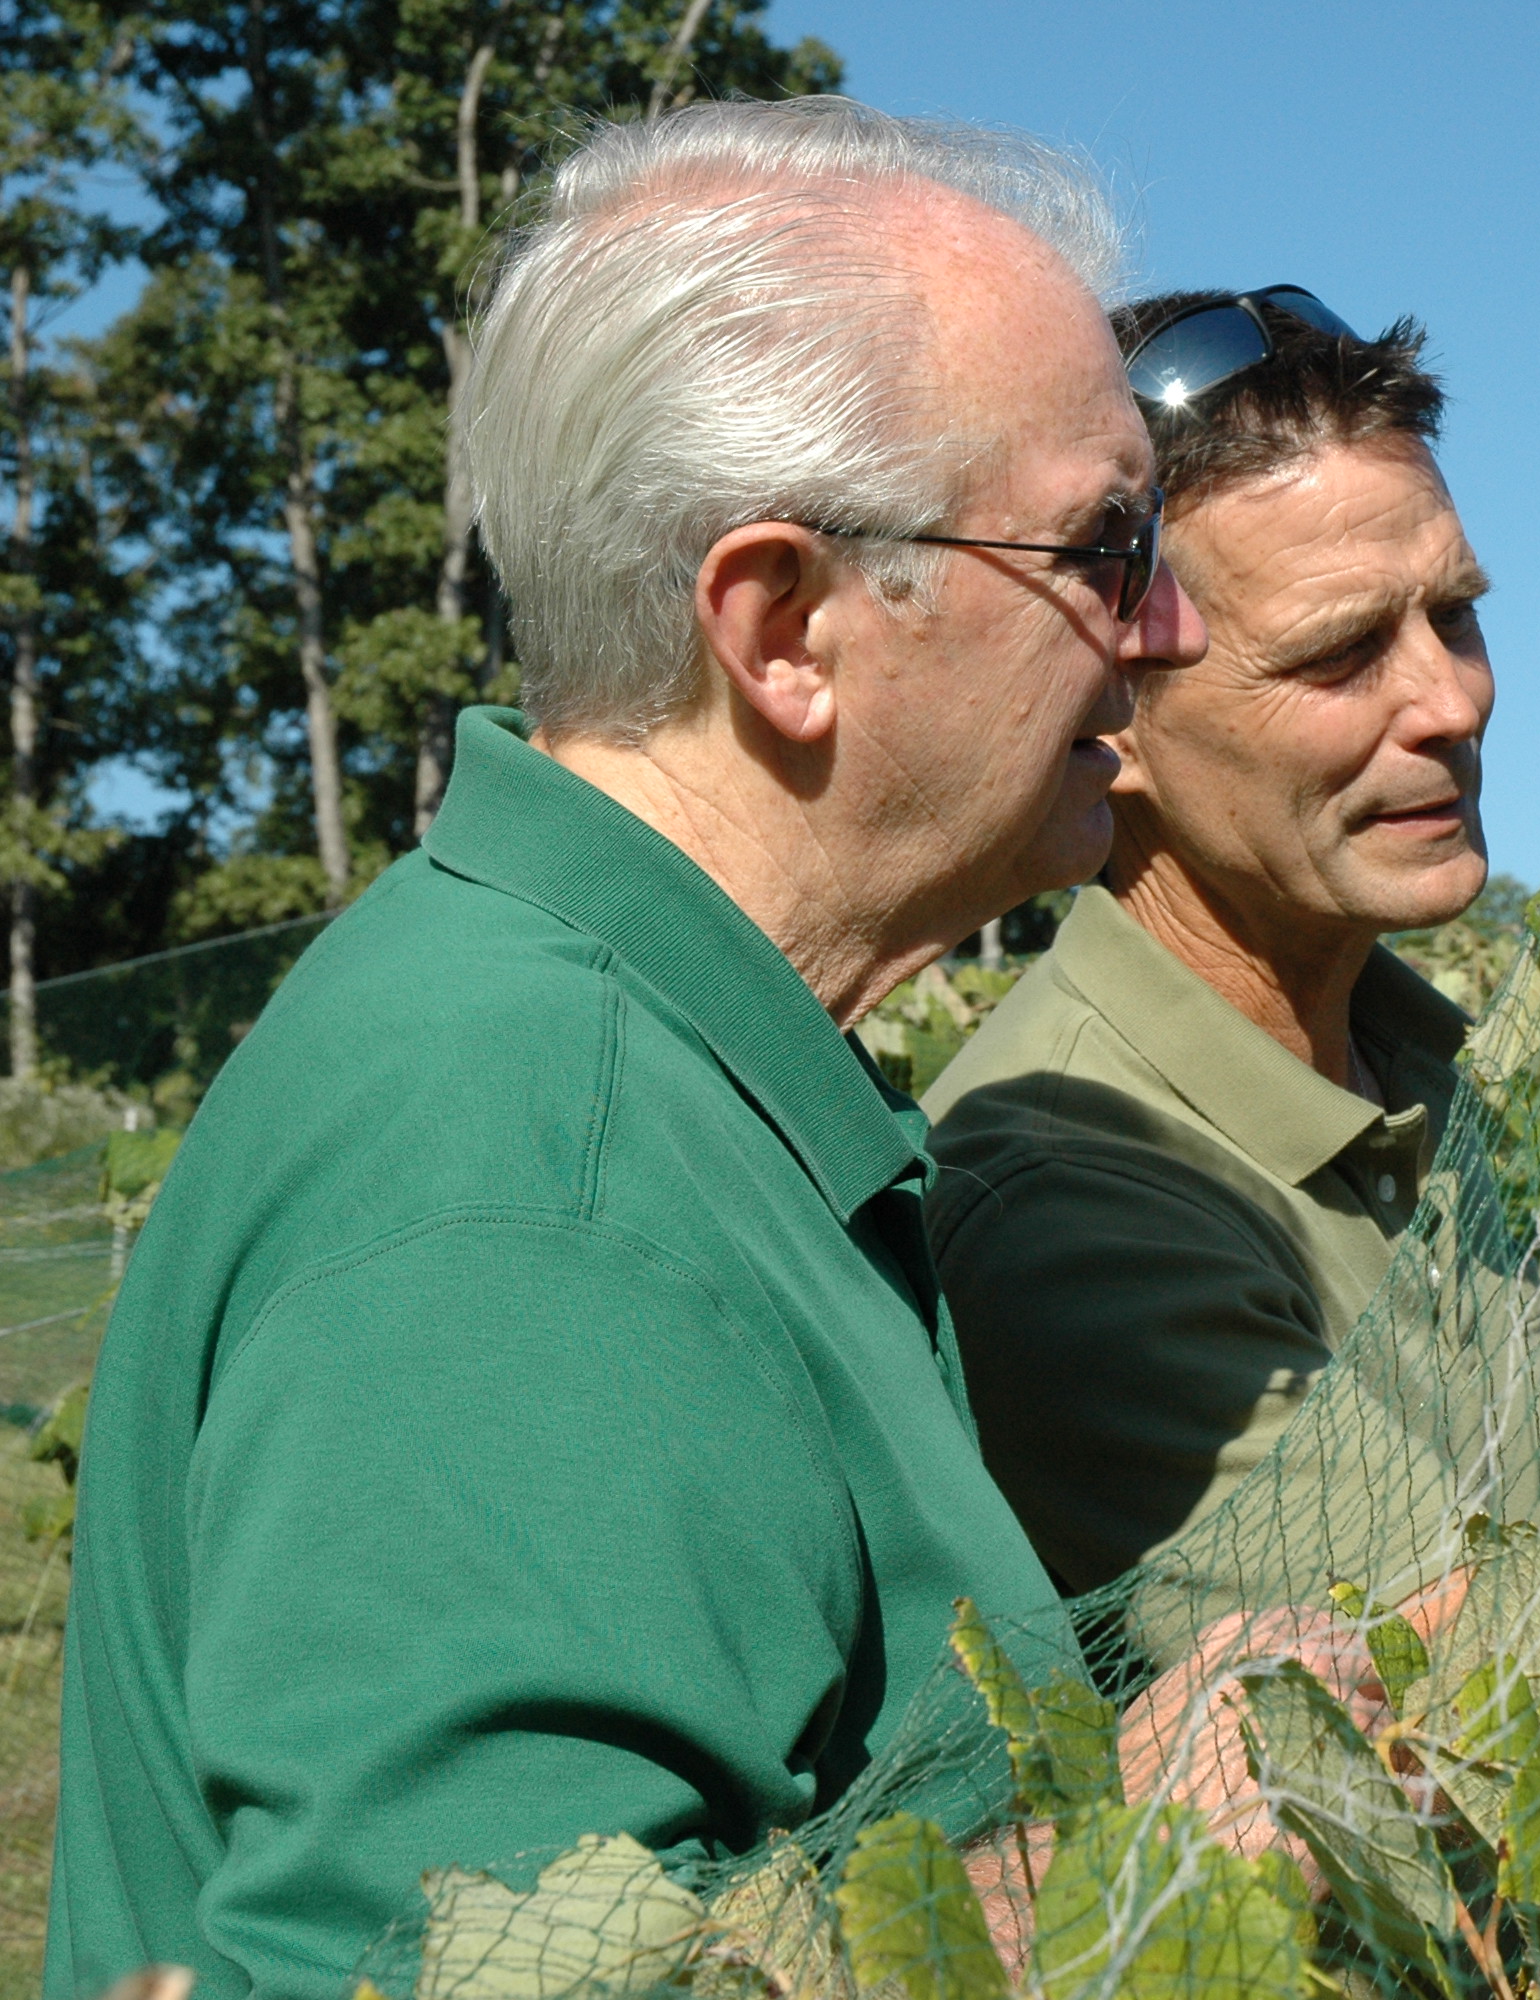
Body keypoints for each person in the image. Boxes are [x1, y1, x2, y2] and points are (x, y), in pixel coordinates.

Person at [46, 99, 1206, 2000]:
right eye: (1105, 540)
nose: (1163, 626)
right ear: (784, 626)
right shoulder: (541, 1173)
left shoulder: (635, 1069)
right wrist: (1148, 1848)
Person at [923, 291, 1540, 1695]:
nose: (1447, 702)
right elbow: (1468, 1711)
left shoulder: (1450, 1079)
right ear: (1106, 714)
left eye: (1455, 615)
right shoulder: (1071, 1203)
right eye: (1337, 653)